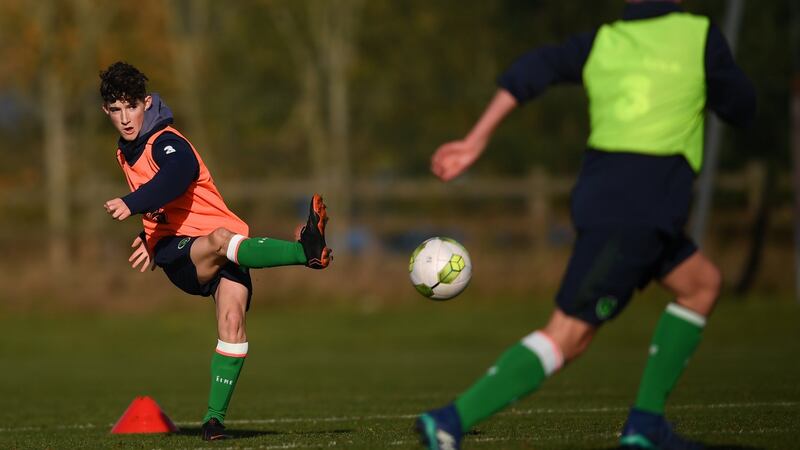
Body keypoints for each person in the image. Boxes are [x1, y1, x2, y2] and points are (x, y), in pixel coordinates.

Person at [416, 1, 755, 449]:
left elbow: (533, 68)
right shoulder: (699, 37)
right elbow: (742, 108)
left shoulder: (604, 42)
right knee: (569, 334)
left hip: (614, 202)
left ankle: (646, 425)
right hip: (640, 209)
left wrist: (476, 139)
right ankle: (450, 420)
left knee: (701, 284)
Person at [99, 61, 332, 441]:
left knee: (233, 324)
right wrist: (149, 230)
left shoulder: (165, 139)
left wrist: (135, 204)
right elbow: (169, 198)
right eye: (116, 110)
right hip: (180, 252)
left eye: (131, 106)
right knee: (221, 239)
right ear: (105, 111)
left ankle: (213, 422)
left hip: (229, 249)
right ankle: (303, 250)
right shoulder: (129, 149)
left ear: (146, 103)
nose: (125, 118)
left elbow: (179, 174)